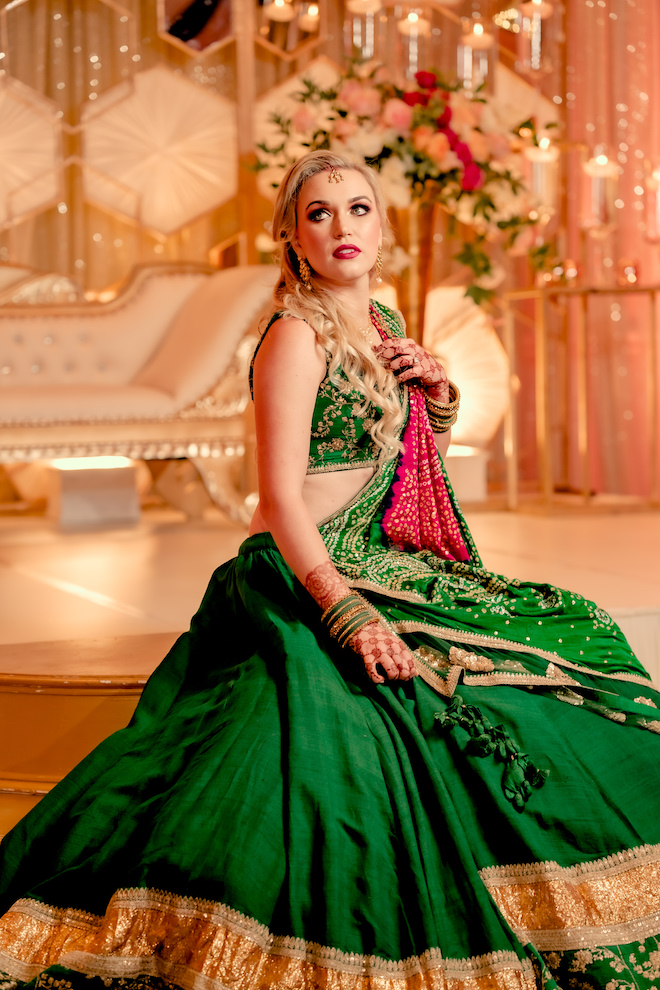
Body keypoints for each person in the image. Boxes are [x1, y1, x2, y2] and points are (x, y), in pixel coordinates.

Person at [1, 149, 660, 990]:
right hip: (302, 568)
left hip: (385, 557)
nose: (341, 226)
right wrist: (346, 611)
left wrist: (441, 399)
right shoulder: (294, 334)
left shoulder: (384, 322)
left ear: (382, 230)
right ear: (291, 236)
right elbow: (277, 497)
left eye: (357, 210)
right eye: (319, 213)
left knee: (574, 629)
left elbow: (408, 464)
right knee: (379, 716)